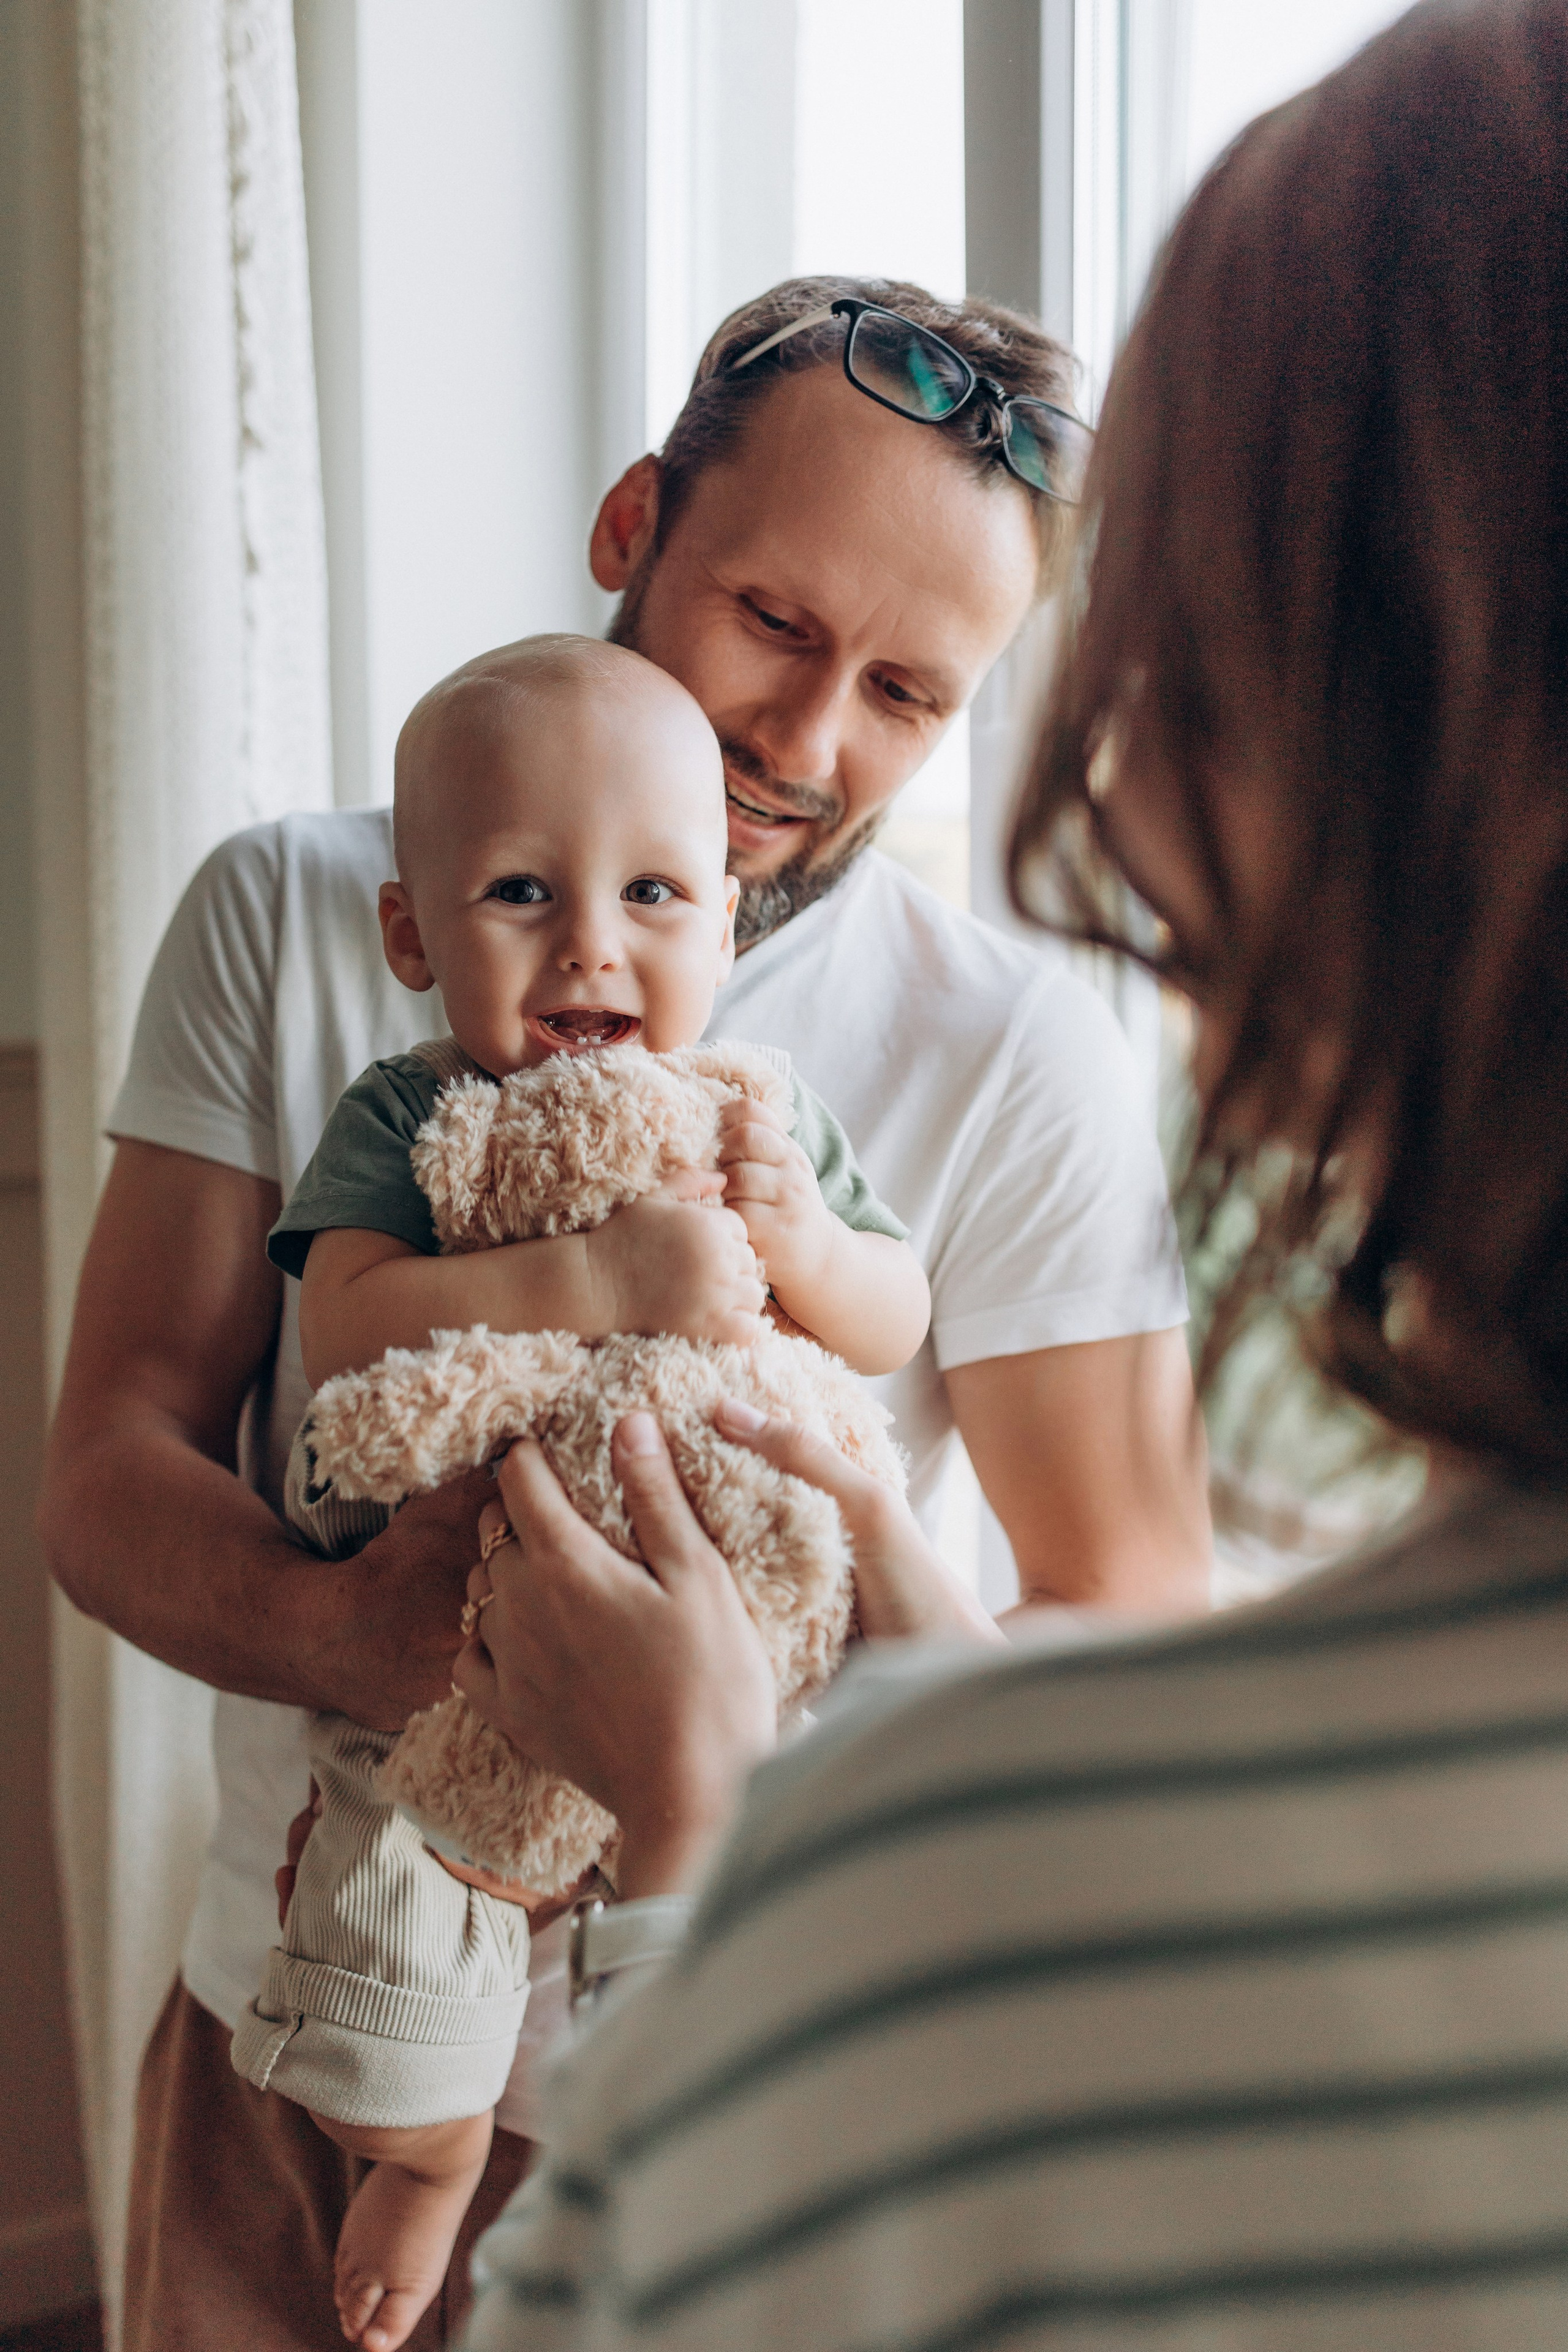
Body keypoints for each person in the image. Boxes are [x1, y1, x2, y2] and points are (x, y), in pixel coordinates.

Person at [450, 5, 1568, 2343]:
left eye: (1188, 673)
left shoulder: (972, 1901)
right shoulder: (306, 909)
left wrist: (719, 1836)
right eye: (775, 623)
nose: (1122, 811)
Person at [39, 275, 1205, 2349]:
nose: (809, 741)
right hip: (303, 2038)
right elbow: (106, 1471)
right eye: (775, 621)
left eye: (906, 691)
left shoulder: (1017, 1056)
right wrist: (351, 1633)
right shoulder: (287, 914)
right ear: (632, 523)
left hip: (751, 2083)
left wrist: (731, 1743)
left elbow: (1123, 1621)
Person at [236, 632, 926, 2352]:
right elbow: (349, 1323)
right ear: (412, 932)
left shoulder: (760, 1113)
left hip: (711, 1645)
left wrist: (808, 1246)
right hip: (467, 1637)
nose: (593, 945)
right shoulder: (411, 1111)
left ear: (727, 925)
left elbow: (893, 1321)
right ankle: (430, 2148)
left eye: (654, 894)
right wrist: (598, 1281)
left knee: (768, 1914)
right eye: (522, 893)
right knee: (396, 1890)